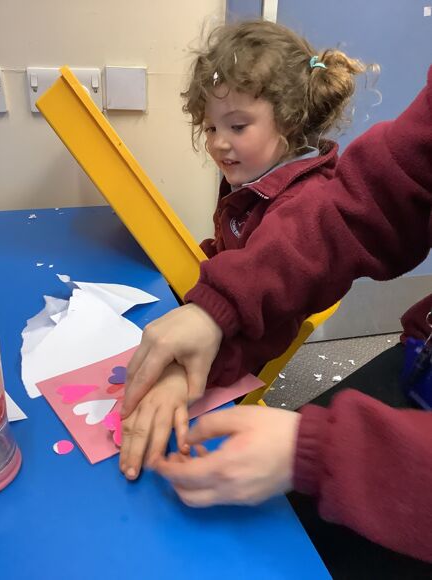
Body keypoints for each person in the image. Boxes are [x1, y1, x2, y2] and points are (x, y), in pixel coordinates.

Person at [119, 19, 375, 477]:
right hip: (229, 321)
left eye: (237, 125)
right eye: (210, 127)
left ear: (290, 119)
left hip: (248, 346)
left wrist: (186, 375)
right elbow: (231, 249)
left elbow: (266, 324)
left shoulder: (305, 204)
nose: (218, 143)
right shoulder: (255, 173)